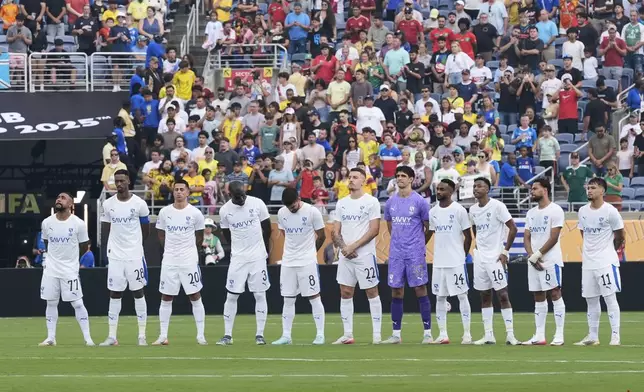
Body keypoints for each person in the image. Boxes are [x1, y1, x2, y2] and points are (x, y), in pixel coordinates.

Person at [380, 166, 432, 344]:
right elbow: (389, 225)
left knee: (420, 289)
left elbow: (428, 227)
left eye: (403, 176)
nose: (400, 178)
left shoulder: (420, 202)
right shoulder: (390, 202)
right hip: (396, 253)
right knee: (396, 290)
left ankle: (427, 332)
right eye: (397, 176)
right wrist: (398, 242)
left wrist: (418, 244)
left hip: (415, 253)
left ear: (411, 179)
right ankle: (396, 334)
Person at [98, 170, 149, 346]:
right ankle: (112, 336)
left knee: (138, 292)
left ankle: (142, 335)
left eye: (122, 180)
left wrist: (136, 246)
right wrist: (107, 251)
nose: (119, 184)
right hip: (115, 255)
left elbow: (146, 230)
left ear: (128, 181)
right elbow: (105, 229)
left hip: (134, 255)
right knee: (114, 293)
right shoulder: (108, 204)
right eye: (116, 181)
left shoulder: (140, 203)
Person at [217, 182, 272, 346]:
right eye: (237, 196)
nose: (241, 199)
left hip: (257, 257)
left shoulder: (257, 203)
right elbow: (226, 235)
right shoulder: (225, 211)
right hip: (238, 259)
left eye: (243, 195)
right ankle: (227, 335)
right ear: (230, 194)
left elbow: (268, 229)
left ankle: (260, 335)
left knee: (260, 294)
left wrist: (263, 251)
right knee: (231, 295)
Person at [153, 179, 207, 346]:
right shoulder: (164, 212)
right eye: (176, 189)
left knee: (195, 295)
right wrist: (170, 250)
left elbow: (200, 236)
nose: (178, 192)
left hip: (188, 260)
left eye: (182, 189)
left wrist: (190, 252)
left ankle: (200, 335)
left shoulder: (196, 214)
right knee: (166, 296)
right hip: (169, 260)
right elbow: (160, 234)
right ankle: (163, 336)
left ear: (188, 192)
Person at [332, 167, 382, 344]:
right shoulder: (341, 203)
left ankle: (376, 335)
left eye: (355, 177)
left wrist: (353, 246)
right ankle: (347, 334)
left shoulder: (371, 202)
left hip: (365, 255)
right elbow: (335, 230)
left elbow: (374, 230)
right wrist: (344, 248)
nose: (351, 180)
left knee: (371, 291)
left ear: (363, 181)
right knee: (345, 292)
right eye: (349, 177)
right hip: (346, 255)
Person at [272, 188, 327, 345]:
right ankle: (286, 336)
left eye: (293, 205)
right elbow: (285, 234)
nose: (291, 209)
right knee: (288, 299)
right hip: (288, 261)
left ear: (298, 199)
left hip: (307, 261)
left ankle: (320, 334)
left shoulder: (312, 212)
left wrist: (311, 252)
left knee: (314, 297)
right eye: (289, 207)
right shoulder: (282, 213)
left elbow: (322, 236)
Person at [469, 177, 520, 345]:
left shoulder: (498, 206)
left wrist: (505, 251)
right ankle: (488, 335)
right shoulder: (473, 210)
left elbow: (513, 227)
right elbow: (475, 228)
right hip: (480, 257)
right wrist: (478, 245)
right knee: (484, 295)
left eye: (480, 186)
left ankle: (510, 335)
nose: (476, 189)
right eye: (474, 186)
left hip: (495, 256)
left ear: (488, 189)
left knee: (503, 294)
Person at [39, 192, 94, 346]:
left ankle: (87, 338)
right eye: (57, 197)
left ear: (71, 204)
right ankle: (51, 338)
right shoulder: (46, 222)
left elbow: (84, 246)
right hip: (50, 269)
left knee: (77, 303)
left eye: (63, 198)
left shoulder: (78, 223)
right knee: (51, 302)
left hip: (69, 270)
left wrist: (72, 260)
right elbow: (46, 242)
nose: (58, 199)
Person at [575, 177, 625, 346]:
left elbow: (620, 236)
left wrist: (608, 250)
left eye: (593, 188)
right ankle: (593, 336)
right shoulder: (582, 211)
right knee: (591, 299)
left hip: (606, 262)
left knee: (610, 298)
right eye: (588, 187)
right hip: (588, 263)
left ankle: (615, 335)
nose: (589, 190)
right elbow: (584, 234)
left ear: (602, 191)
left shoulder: (610, 211)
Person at [427, 179, 472, 345]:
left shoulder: (459, 210)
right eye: (437, 189)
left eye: (442, 189)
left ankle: (467, 334)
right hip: (439, 262)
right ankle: (443, 334)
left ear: (451, 191)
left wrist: (462, 255)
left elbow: (468, 236)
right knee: (439, 297)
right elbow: (429, 234)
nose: (438, 192)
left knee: (462, 295)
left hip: (456, 262)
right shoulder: (433, 212)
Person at [523, 178, 566, 346]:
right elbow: (527, 236)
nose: (531, 191)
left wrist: (537, 255)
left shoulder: (556, 210)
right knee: (538, 296)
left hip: (550, 260)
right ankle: (539, 335)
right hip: (534, 261)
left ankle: (559, 335)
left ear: (545, 190)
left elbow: (554, 237)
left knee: (555, 293)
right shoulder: (531, 213)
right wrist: (531, 256)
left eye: (535, 188)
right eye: (531, 188)